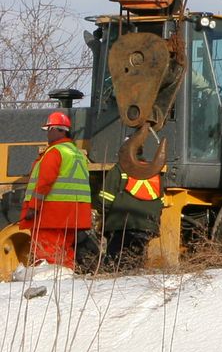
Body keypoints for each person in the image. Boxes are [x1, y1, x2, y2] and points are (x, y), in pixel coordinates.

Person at [21, 111, 93, 269]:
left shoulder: (55, 152)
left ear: (58, 130)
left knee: (46, 251)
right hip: (73, 213)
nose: (47, 134)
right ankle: (65, 280)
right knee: (64, 250)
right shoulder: (77, 154)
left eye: (49, 129)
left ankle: (49, 282)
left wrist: (33, 206)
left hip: (52, 214)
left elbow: (45, 182)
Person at [95, 168, 163, 269]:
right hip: (148, 225)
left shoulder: (119, 169)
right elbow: (161, 203)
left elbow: (105, 201)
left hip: (121, 223)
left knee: (115, 263)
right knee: (136, 261)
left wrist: (102, 215)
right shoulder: (155, 171)